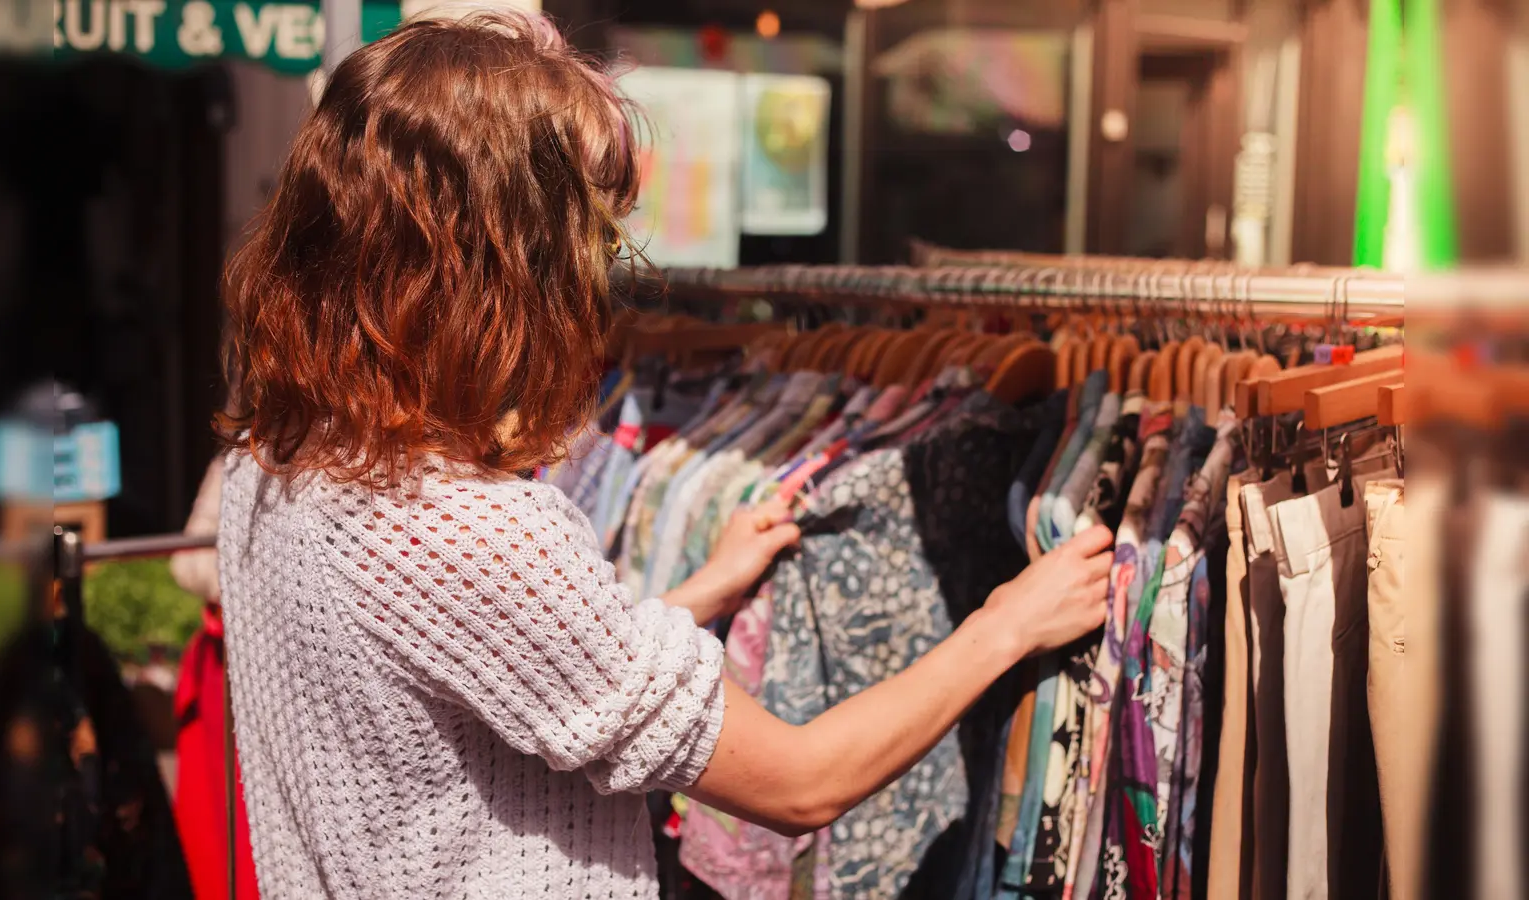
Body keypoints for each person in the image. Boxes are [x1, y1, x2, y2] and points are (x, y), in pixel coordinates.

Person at [215, 8, 1113, 899]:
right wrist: (1006, 624)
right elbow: (802, 783)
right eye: (592, 237)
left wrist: (700, 593)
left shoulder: (270, 464)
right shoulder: (467, 529)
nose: (601, 272)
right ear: (501, 264)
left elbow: (489, 673)